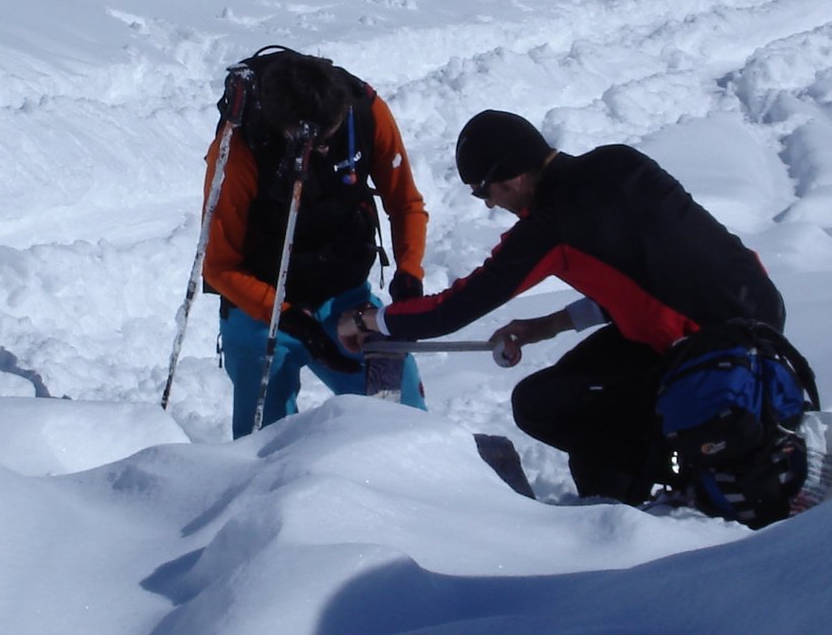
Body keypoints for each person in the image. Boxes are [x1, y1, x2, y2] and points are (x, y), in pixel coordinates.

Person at [336, 110, 788, 508]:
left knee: (541, 405)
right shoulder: (620, 163)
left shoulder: (551, 225)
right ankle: (615, 493)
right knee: (574, 394)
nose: (489, 203)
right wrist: (549, 325)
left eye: (482, 191)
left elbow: (450, 310)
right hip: (757, 319)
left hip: (711, 355)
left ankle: (687, 469)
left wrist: (367, 319)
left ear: (512, 176)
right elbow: (654, 278)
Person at [200, 47, 428, 438]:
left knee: (405, 420)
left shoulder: (367, 111)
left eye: (331, 134)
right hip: (258, 305)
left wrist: (409, 272)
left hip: (347, 299)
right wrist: (287, 316)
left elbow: (406, 203)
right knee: (261, 445)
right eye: (315, 140)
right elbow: (219, 265)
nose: (324, 148)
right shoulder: (239, 146)